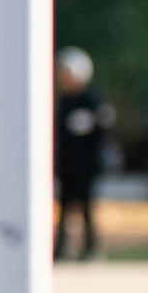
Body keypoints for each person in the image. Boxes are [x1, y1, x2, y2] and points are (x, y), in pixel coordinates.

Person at [52, 47, 113, 262]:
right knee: (63, 208)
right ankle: (60, 249)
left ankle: (91, 249)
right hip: (67, 165)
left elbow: (102, 132)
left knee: (86, 207)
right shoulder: (64, 102)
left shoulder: (91, 100)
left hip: (86, 166)